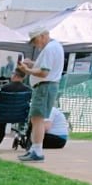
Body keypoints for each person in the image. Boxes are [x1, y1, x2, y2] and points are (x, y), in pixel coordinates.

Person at [17, 26, 64, 162]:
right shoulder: (55, 47)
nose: (35, 44)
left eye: (35, 40)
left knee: (37, 119)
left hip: (44, 86)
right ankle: (34, 148)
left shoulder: (49, 49)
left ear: (42, 36)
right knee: (36, 119)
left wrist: (27, 70)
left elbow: (44, 72)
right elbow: (44, 67)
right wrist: (32, 64)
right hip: (46, 86)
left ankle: (37, 151)